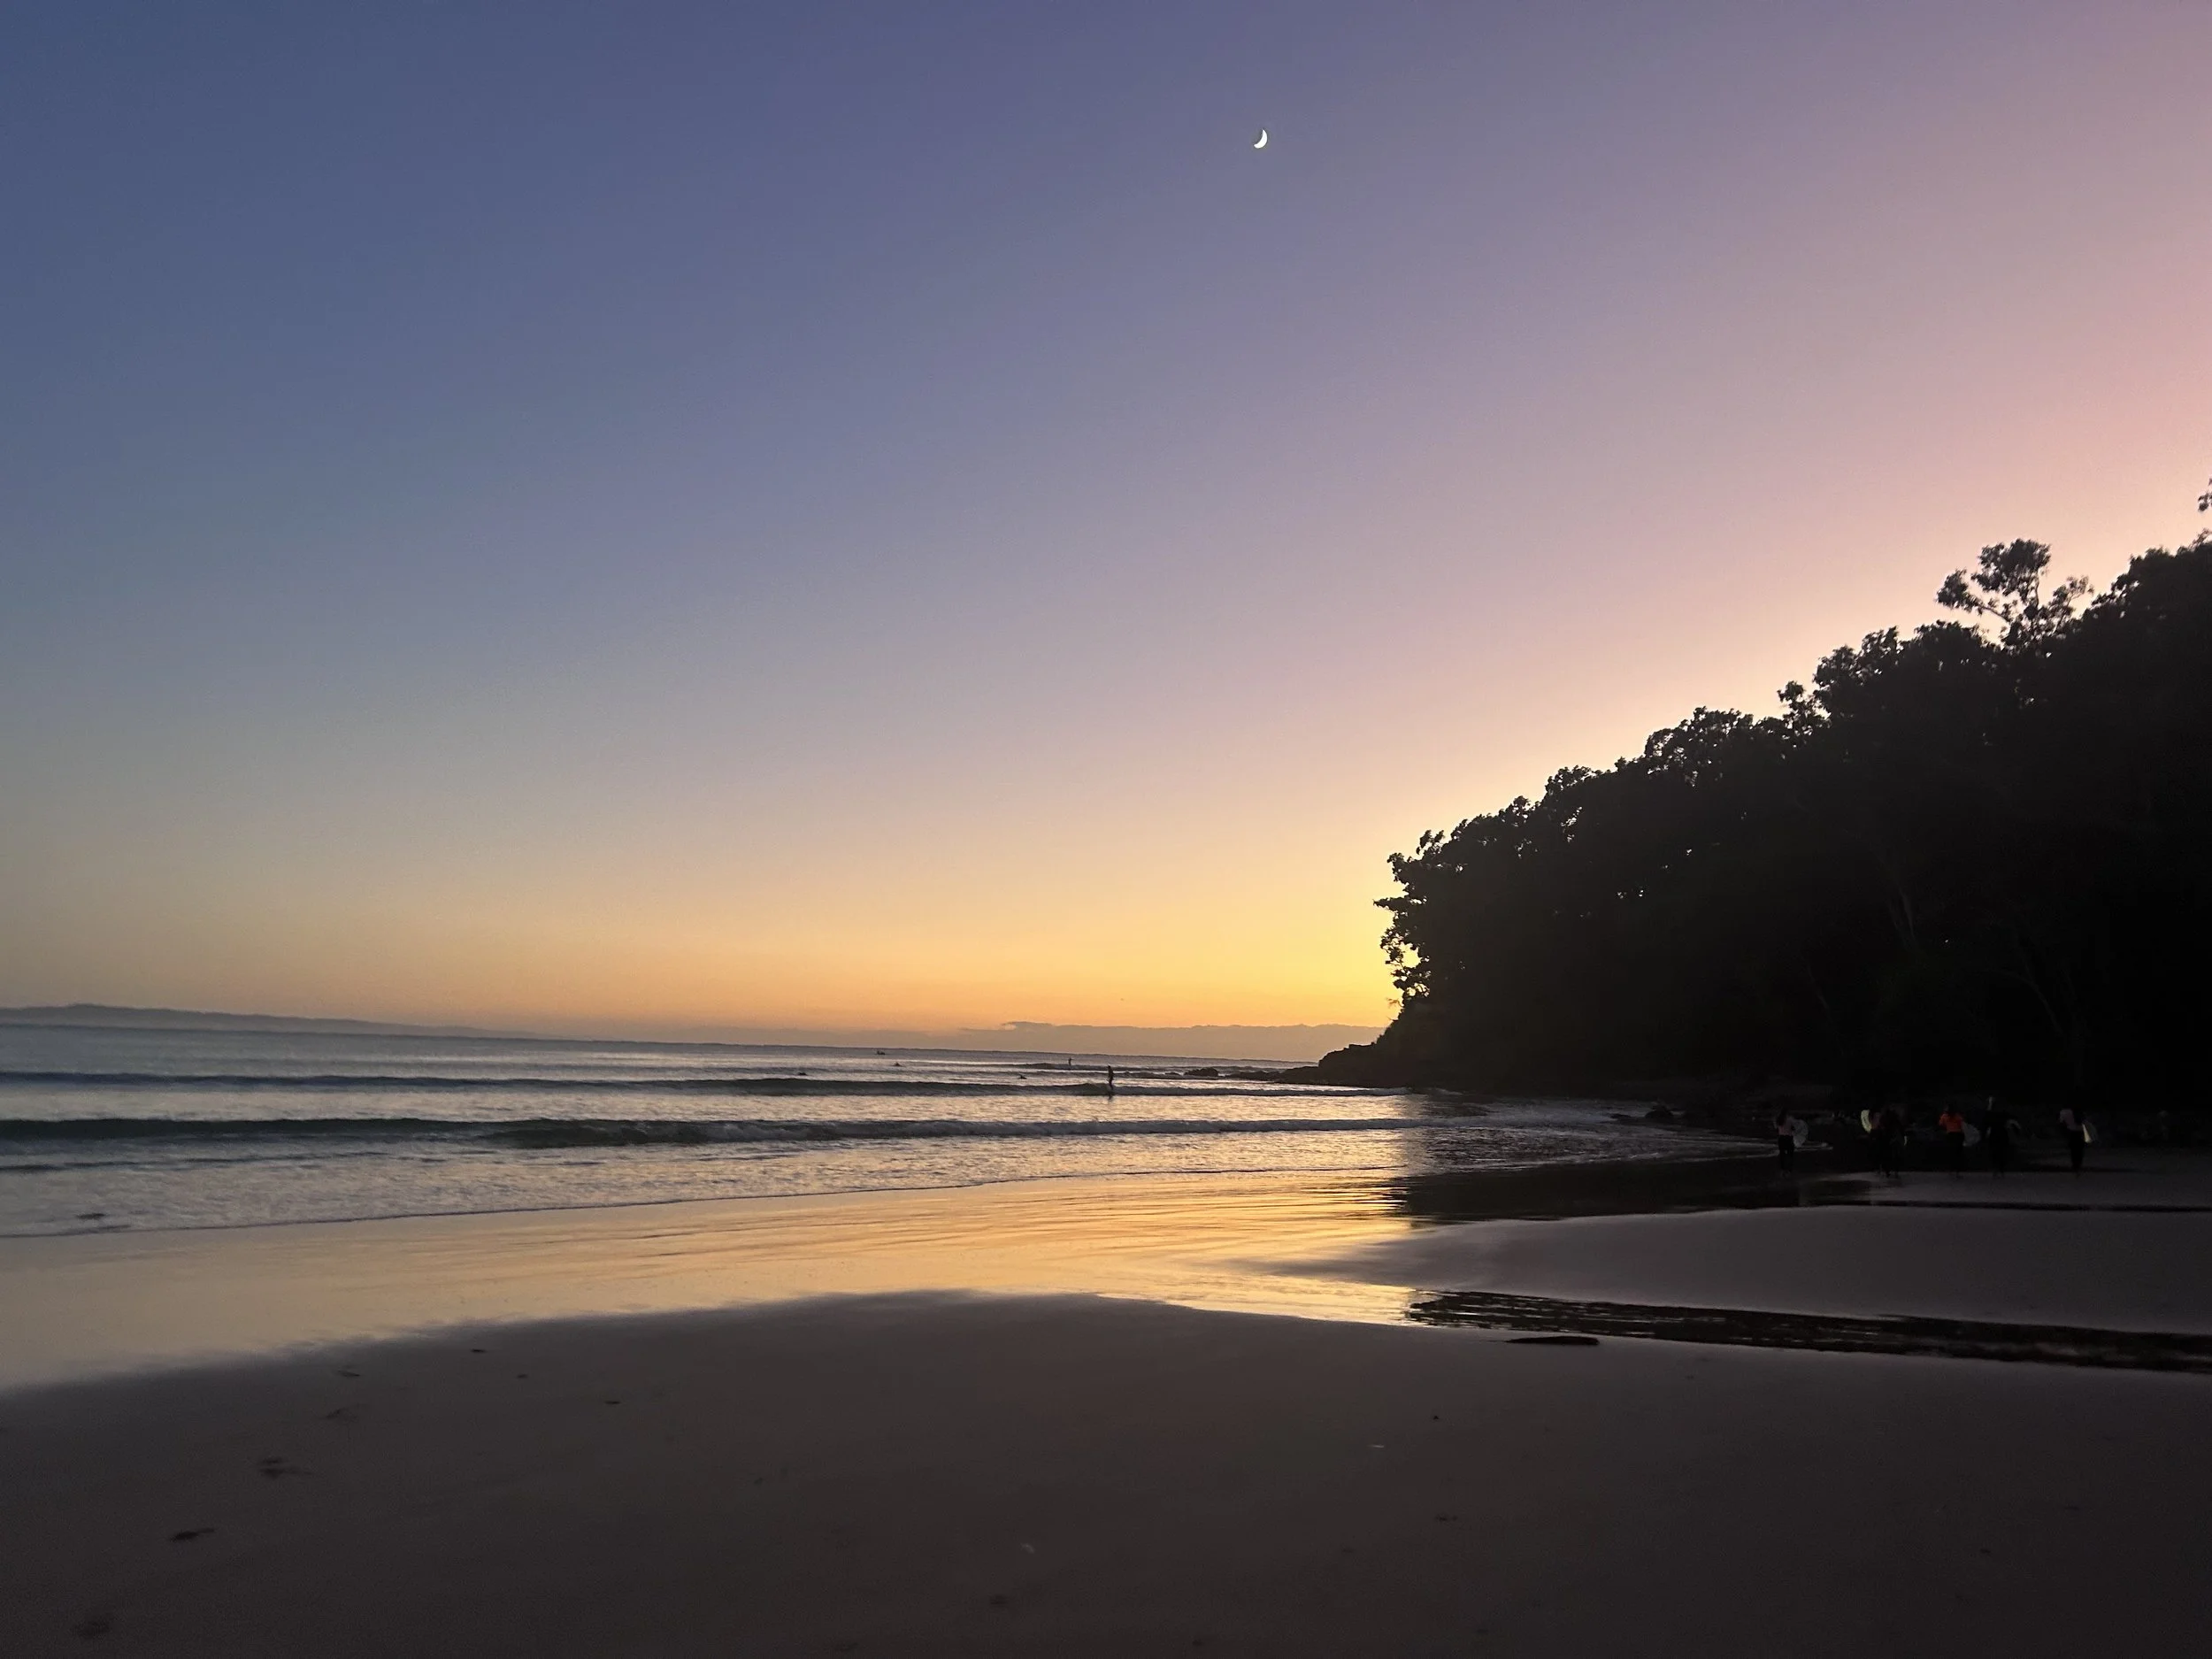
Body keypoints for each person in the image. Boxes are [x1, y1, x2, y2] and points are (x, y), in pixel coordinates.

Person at [1984, 1097, 2010, 1177]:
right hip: (2001, 1133)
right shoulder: (2003, 1113)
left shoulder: (1993, 1114)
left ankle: (1997, 1169)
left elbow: (1987, 1117)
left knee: (1995, 1152)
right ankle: (2000, 1170)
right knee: (2000, 1152)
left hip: (1995, 1133)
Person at [1938, 1105, 1966, 1177]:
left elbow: (1940, 1124)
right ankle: (1957, 1171)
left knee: (1951, 1152)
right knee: (1958, 1153)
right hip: (1958, 1134)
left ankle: (1950, 1170)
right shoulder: (1957, 1116)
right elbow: (1962, 1124)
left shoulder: (1944, 1116)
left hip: (1950, 1134)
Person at [2058, 1104, 2086, 1174]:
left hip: (2071, 1131)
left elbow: (2062, 1122)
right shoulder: (2079, 1111)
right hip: (2080, 1131)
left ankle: (2075, 1164)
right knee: (2080, 1149)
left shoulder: (2064, 1112)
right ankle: (2079, 1164)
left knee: (2073, 1149)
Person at [1773, 1107, 1795, 1171]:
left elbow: (1776, 1129)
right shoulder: (1790, 1119)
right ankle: (1789, 1169)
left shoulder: (1778, 1119)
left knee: (1782, 1155)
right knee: (1790, 1155)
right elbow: (1794, 1128)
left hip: (1781, 1138)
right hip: (1789, 1138)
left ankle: (1782, 1169)